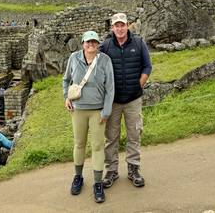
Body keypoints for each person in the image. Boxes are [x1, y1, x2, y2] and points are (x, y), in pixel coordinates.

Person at [100, 13, 152, 189]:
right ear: (112, 27)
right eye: (117, 25)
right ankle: (112, 170)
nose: (120, 28)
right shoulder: (106, 46)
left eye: (122, 25)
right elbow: (96, 67)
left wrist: (139, 85)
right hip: (113, 101)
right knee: (111, 137)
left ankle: (133, 169)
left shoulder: (138, 43)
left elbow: (147, 66)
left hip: (133, 99)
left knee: (134, 134)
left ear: (127, 26)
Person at [63, 31, 115, 204]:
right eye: (88, 42)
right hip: (78, 110)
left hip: (98, 111)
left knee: (98, 146)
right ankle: (78, 177)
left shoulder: (105, 60)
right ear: (83, 43)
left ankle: (98, 183)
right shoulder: (74, 58)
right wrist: (66, 96)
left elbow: (110, 88)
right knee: (79, 143)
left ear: (98, 44)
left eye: (94, 42)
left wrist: (106, 111)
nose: (91, 45)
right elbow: (66, 80)